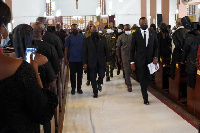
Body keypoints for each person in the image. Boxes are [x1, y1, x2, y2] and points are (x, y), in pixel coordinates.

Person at [0, 1, 58, 132]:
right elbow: (42, 111)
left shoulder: (12, 56)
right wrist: (35, 70)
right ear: (2, 28)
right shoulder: (23, 67)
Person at [130, 17, 159, 105]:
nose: (144, 24)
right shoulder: (136, 34)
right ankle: (145, 97)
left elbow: (156, 46)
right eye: (142, 23)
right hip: (140, 60)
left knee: (149, 78)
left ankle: (144, 88)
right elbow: (132, 49)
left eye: (145, 23)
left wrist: (155, 57)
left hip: (150, 60)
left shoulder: (153, 33)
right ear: (139, 24)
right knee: (142, 79)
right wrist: (132, 62)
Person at [82, 26, 110, 98]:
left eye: (95, 30)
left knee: (102, 75)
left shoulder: (103, 38)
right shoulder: (87, 40)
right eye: (93, 30)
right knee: (92, 77)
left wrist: (108, 60)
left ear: (98, 31)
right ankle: (95, 92)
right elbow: (84, 52)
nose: (94, 31)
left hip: (101, 61)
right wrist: (84, 63)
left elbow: (106, 50)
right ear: (90, 31)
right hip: (91, 61)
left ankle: (99, 82)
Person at [65, 24, 85, 95]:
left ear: (78, 29)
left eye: (75, 29)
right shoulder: (68, 38)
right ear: (71, 30)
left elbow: (85, 48)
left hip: (80, 59)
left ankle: (79, 88)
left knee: (80, 74)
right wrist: (66, 58)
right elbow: (66, 49)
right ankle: (73, 88)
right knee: (72, 75)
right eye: (73, 29)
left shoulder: (82, 37)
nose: (74, 30)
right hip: (72, 59)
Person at [117, 24, 133, 92]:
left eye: (129, 29)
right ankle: (129, 85)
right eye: (126, 29)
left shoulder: (133, 36)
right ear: (124, 30)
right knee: (126, 70)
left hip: (132, 55)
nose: (128, 30)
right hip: (124, 55)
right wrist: (118, 57)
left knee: (130, 70)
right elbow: (118, 48)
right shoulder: (120, 37)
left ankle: (127, 78)